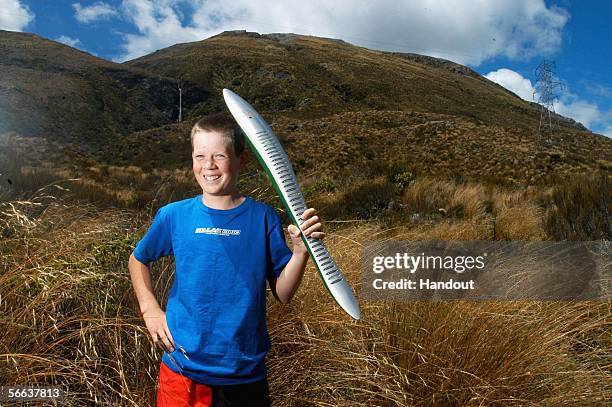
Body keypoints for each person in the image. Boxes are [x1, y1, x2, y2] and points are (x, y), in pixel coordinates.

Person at [128, 114, 324, 406]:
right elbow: (138, 259)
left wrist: (300, 252)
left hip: (244, 375)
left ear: (241, 159)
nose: (209, 166)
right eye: (200, 156)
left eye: (219, 155)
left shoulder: (263, 218)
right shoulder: (174, 215)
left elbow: (283, 293)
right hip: (182, 372)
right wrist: (151, 311)